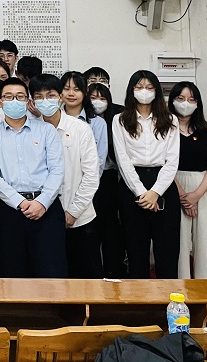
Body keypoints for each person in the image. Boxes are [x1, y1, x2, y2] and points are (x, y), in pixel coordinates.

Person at [0, 76, 66, 277]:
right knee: (12, 273)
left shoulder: (46, 131)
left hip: (46, 208)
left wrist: (42, 202)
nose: (14, 101)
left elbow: (57, 170)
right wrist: (20, 202)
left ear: (28, 101)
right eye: (9, 97)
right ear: (0, 102)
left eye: (20, 96)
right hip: (8, 210)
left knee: (51, 272)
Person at [31, 74, 101, 278]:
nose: (45, 101)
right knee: (53, 277)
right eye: (39, 97)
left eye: (50, 95)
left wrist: (73, 212)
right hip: (44, 217)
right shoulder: (30, 129)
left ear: (60, 97)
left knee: (86, 276)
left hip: (80, 217)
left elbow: (91, 175)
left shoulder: (80, 128)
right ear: (32, 101)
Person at [112, 70, 180, 279]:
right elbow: (122, 160)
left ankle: (168, 296)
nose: (144, 92)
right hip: (132, 185)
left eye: (149, 88)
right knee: (136, 250)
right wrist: (142, 193)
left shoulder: (170, 119)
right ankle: (138, 298)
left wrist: (155, 192)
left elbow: (172, 161)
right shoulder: (120, 120)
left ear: (157, 91)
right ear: (131, 90)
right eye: (139, 87)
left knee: (167, 251)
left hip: (163, 185)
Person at [170, 81, 207, 279]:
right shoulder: (165, 130)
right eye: (181, 98)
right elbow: (164, 164)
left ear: (198, 103)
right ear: (172, 100)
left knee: (206, 242)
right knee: (178, 244)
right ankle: (179, 289)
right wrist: (184, 196)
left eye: (191, 99)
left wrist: (196, 195)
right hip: (174, 185)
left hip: (204, 187)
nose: (186, 103)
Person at [88, 81, 127, 278]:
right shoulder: (83, 120)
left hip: (109, 179)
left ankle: (113, 273)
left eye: (102, 98)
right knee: (90, 228)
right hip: (86, 179)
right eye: (93, 98)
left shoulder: (116, 119)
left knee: (110, 228)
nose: (98, 102)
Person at [61, 71, 109, 175]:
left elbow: (99, 161)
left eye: (77, 89)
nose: (71, 93)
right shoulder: (53, 120)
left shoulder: (97, 123)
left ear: (86, 91)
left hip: (87, 181)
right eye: (66, 89)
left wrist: (89, 183)